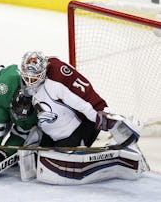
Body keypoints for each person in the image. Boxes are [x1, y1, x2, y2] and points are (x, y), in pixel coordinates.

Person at [17, 51, 145, 184]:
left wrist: (104, 116)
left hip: (78, 129)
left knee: (57, 162)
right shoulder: (26, 83)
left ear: (45, 69)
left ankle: (117, 159)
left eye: (35, 77)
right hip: (53, 133)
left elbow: (86, 99)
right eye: (27, 77)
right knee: (40, 158)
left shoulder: (58, 77)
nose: (30, 82)